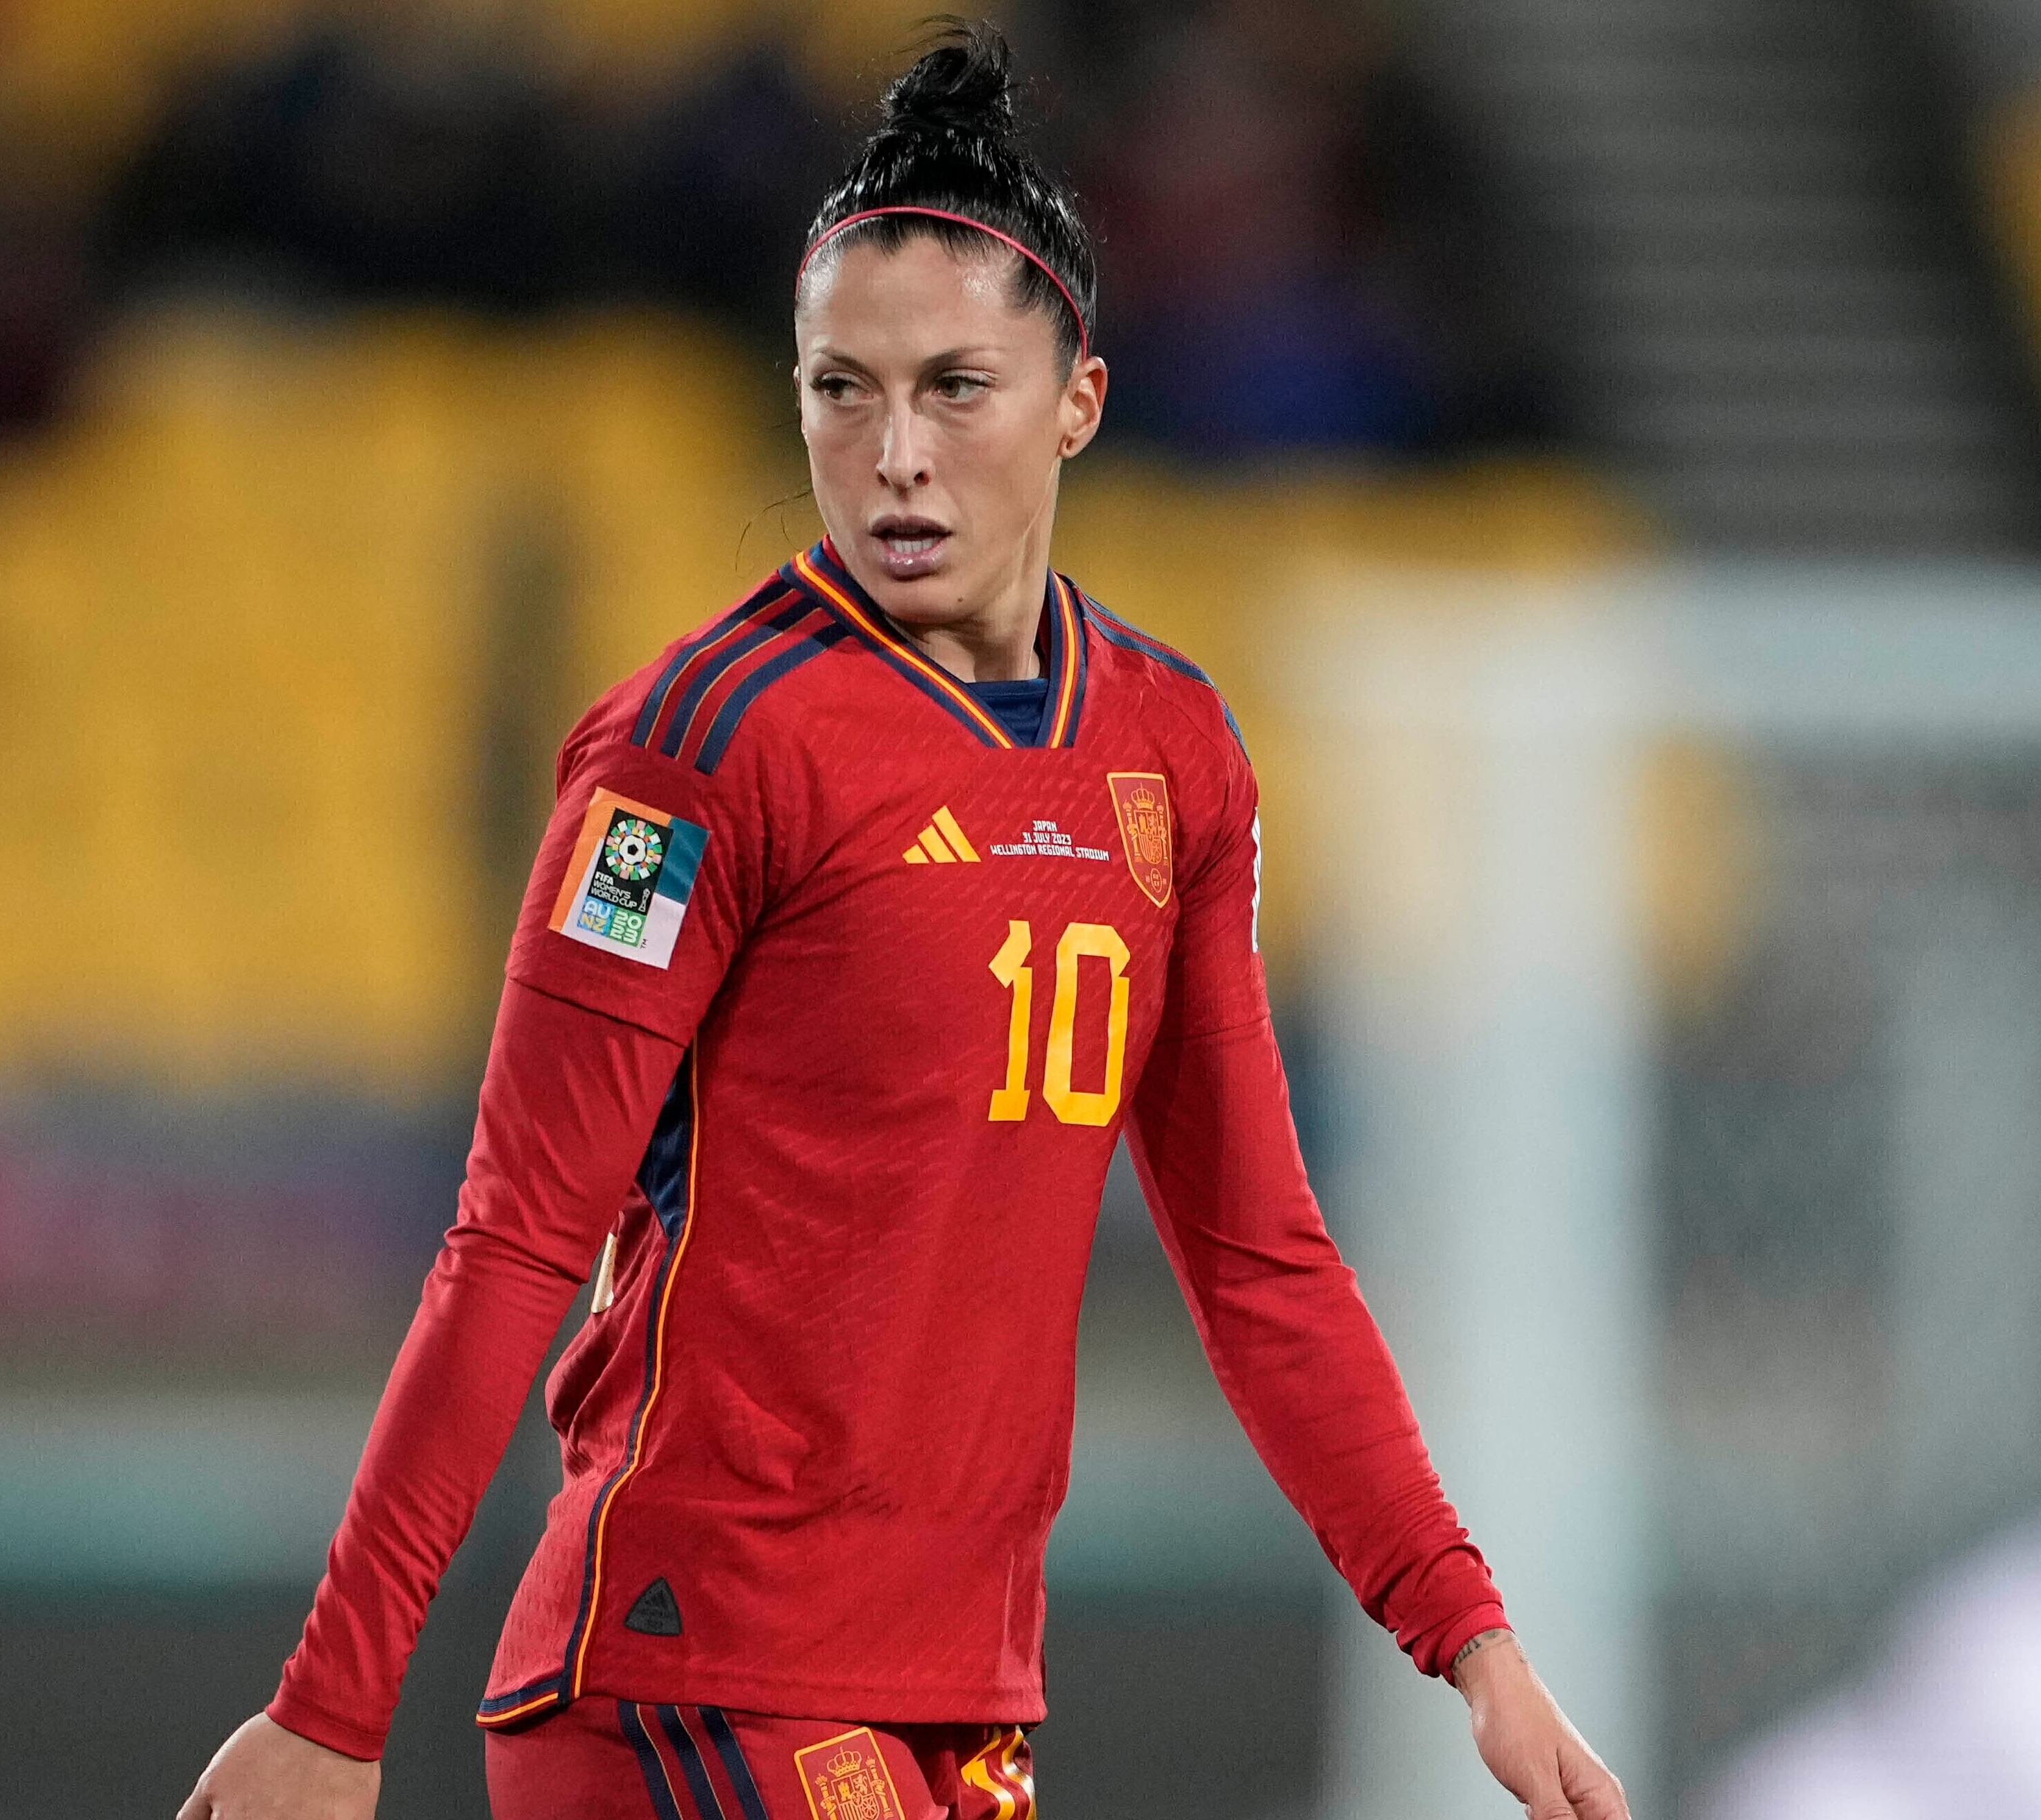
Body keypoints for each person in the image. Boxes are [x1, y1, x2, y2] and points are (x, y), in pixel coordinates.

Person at [180, 23, 1629, 1820]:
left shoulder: (1170, 751)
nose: (892, 455)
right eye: (839, 390)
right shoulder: (690, 757)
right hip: (690, 1673)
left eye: (955, 388)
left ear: (1077, 401)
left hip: (954, 1694)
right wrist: (333, 1706)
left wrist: (1470, 1640)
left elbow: (1261, 1263)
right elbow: (514, 1238)